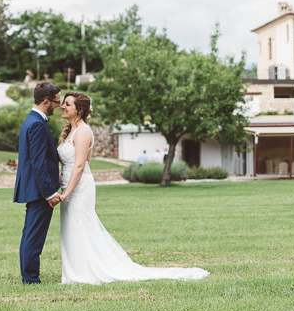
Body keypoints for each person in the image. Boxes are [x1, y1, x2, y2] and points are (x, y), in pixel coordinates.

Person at [55, 92, 209, 284]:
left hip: (77, 188)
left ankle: (85, 272)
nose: (62, 106)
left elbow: (80, 166)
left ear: (79, 109)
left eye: (67, 104)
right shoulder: (71, 131)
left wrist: (66, 193)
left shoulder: (84, 131)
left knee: (81, 226)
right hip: (70, 185)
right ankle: (75, 270)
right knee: (72, 228)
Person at [13, 81, 63, 285]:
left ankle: (29, 276)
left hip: (34, 189)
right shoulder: (36, 124)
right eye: (56, 102)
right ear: (45, 102)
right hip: (39, 191)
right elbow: (38, 163)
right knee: (33, 238)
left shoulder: (31, 120)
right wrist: (49, 193)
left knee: (29, 236)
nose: (58, 106)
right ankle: (31, 279)